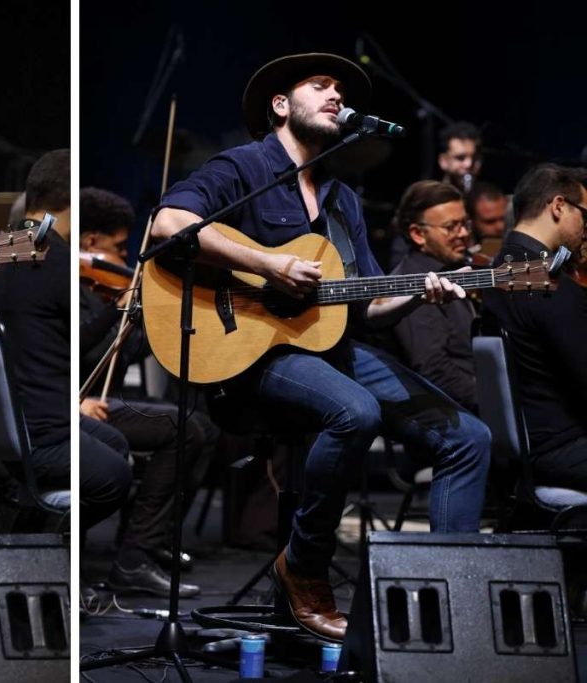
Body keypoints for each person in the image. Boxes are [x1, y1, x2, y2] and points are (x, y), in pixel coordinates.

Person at [150, 53, 491, 641]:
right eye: (320, 85)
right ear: (281, 105)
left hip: (328, 346)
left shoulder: (341, 200)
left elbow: (367, 305)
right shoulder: (244, 166)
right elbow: (167, 225)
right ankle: (302, 567)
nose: (335, 94)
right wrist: (267, 263)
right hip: (248, 352)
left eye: (339, 88)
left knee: (469, 437)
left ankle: (444, 597)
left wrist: (418, 294)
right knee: (354, 411)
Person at [79, 187, 211, 598]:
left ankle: (143, 546)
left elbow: (123, 356)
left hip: (102, 400)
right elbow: (75, 352)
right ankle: (135, 555)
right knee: (184, 427)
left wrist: (146, 319)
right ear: (91, 243)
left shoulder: (104, 287)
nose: (124, 261)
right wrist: (114, 312)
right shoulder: (73, 287)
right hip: (74, 404)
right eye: (120, 249)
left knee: (199, 426)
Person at [0, 150, 128, 531]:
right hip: (44, 433)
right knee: (115, 476)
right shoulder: (55, 258)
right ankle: (52, 548)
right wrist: (119, 309)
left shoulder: (6, 247)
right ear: (69, 201)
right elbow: (83, 347)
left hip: (22, 418)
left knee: (115, 443)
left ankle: (38, 536)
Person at [481, 163, 587, 492]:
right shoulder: (551, 285)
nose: (586, 226)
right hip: (562, 447)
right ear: (558, 206)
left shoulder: (498, 269)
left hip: (533, 445)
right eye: (584, 214)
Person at [387, 180, 479, 413]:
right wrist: (496, 399)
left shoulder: (451, 269)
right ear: (418, 234)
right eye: (451, 227)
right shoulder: (410, 283)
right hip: (454, 414)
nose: (464, 234)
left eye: (465, 224)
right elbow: (435, 370)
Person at [438, 121, 482, 194]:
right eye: (460, 158)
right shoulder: (430, 201)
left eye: (474, 158)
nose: (469, 164)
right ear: (444, 161)